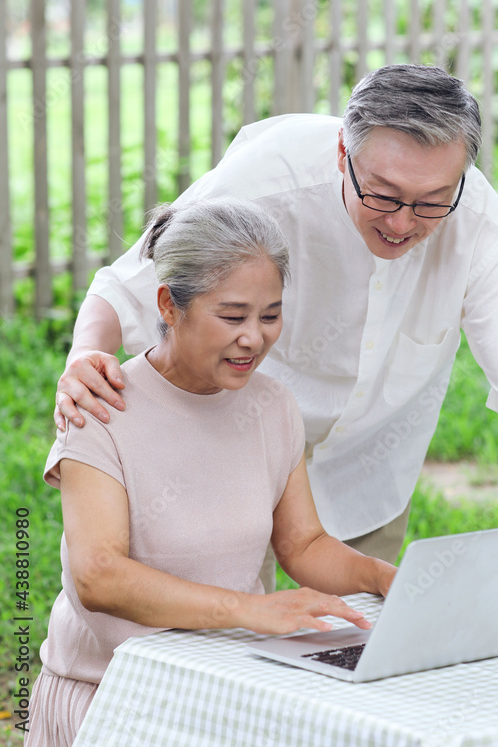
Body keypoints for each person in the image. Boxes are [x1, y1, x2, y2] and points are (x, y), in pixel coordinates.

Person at [54, 63, 498, 621]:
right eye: (383, 195)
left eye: (431, 202)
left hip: (374, 462)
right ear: (342, 154)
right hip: (241, 446)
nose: (403, 223)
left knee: (348, 647)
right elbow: (130, 283)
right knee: (221, 625)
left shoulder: (477, 222)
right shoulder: (270, 177)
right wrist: (85, 355)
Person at [27, 199, 396, 747]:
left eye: (269, 315)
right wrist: (251, 611)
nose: (254, 337)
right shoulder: (101, 408)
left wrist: (384, 578)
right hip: (112, 700)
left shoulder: (271, 406)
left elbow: (304, 543)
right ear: (169, 307)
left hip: (224, 695)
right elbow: (98, 575)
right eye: (232, 316)